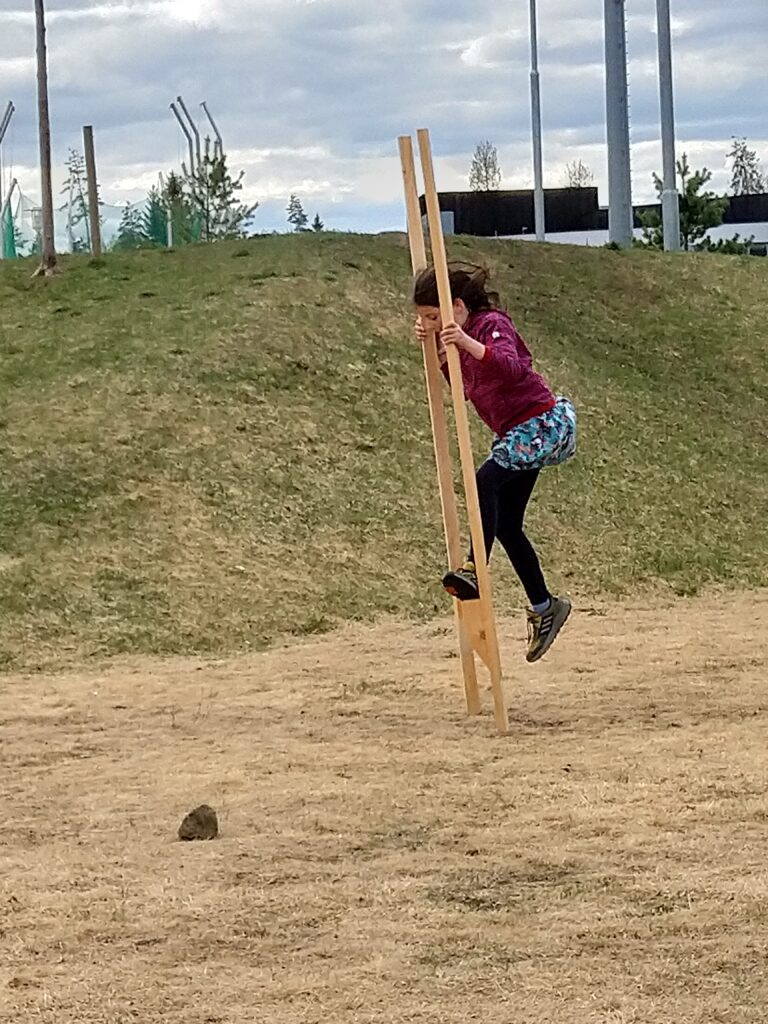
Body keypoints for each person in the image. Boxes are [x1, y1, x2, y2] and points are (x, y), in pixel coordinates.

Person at [413, 263, 577, 664]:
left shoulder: (491, 324)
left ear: (457, 306)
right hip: (515, 434)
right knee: (506, 524)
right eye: (424, 320)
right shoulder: (457, 339)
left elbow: (511, 366)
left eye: (433, 317)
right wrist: (440, 353)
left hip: (540, 423)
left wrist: (466, 343)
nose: (430, 324)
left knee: (484, 481)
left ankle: (474, 568)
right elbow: (466, 389)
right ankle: (545, 607)